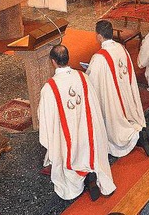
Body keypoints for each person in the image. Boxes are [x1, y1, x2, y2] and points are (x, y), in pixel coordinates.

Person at [38, 45, 116, 201]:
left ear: (53, 62)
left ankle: (80, 176)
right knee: (88, 149)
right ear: (68, 58)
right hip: (87, 135)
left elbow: (45, 117)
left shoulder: (49, 88)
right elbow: (94, 105)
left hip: (67, 141)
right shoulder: (82, 77)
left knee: (65, 156)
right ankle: (91, 172)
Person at [87, 20, 149, 158]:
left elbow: (92, 80)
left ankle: (135, 136)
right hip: (124, 92)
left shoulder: (99, 58)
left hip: (112, 95)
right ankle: (139, 130)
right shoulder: (121, 48)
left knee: (116, 125)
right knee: (126, 115)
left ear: (99, 36)